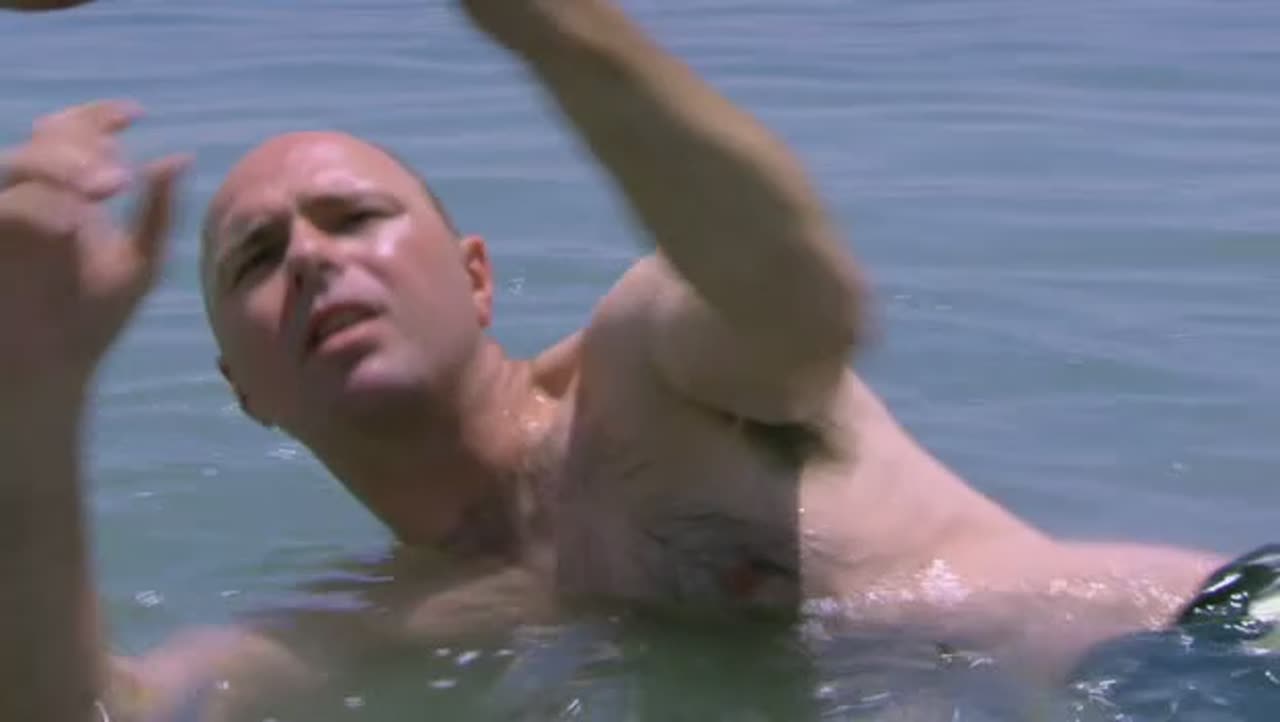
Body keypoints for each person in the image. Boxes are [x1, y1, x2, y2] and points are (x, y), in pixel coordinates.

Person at [2, 0, 1253, 720]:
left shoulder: (649, 361)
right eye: (258, 257)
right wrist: (29, 394)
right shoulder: (378, 621)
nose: (317, 261)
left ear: (477, 276)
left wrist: (547, 23)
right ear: (243, 390)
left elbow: (803, 300)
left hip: (1208, 650)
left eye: (355, 217)